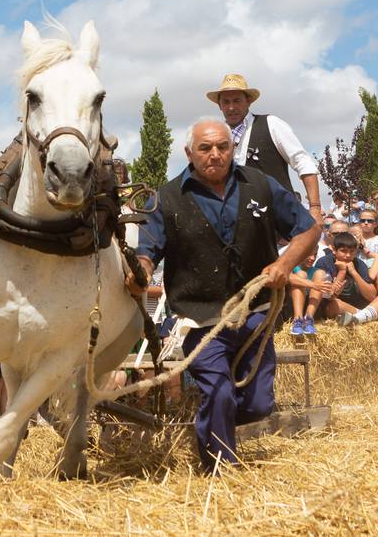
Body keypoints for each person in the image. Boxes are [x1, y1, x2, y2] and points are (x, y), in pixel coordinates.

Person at [132, 118, 319, 472]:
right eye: (205, 148)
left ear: (232, 149)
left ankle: (210, 426)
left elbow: (308, 230)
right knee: (218, 392)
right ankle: (220, 470)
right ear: (189, 152)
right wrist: (139, 272)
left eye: (222, 147)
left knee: (259, 404)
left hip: (257, 312)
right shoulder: (167, 198)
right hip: (201, 320)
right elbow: (147, 252)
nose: (215, 154)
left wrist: (285, 263)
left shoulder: (261, 184)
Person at [206, 74, 321, 217]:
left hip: (279, 218)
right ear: (219, 105)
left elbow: (302, 161)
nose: (231, 107)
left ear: (248, 101)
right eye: (226, 102)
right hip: (237, 221)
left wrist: (315, 208)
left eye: (237, 101)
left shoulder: (271, 124)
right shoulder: (216, 137)